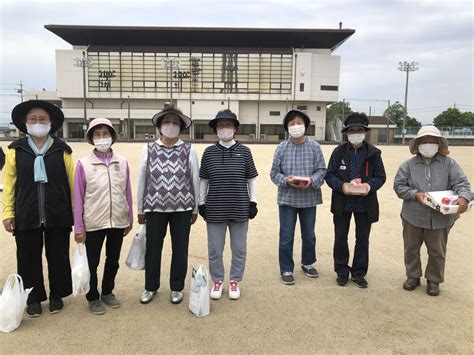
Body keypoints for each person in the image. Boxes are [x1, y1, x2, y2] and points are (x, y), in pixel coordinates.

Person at [2, 100, 75, 317]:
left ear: (51, 123)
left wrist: (76, 212)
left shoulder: (63, 150)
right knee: (27, 257)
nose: (38, 123)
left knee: (58, 256)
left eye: (43, 119)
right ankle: (33, 298)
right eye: (33, 119)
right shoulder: (15, 150)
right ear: (25, 122)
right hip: (26, 212)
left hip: (57, 213)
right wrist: (8, 212)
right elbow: (9, 186)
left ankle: (57, 295)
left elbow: (73, 184)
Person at [393, 125, 471, 296]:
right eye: (424, 141)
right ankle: (413, 276)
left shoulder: (449, 164)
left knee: (437, 250)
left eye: (432, 141)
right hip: (413, 215)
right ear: (418, 144)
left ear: (438, 144)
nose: (428, 145)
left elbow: (462, 184)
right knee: (411, 248)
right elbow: (399, 186)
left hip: (440, 216)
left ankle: (434, 280)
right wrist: (415, 194)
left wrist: (464, 198)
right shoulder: (408, 165)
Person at [136, 105, 199, 305]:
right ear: (160, 126)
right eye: (167, 122)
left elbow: (194, 179)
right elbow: (142, 179)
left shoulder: (189, 149)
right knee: (153, 248)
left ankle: (177, 287)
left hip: (182, 208)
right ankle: (150, 286)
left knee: (180, 249)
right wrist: (140, 208)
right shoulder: (148, 148)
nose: (170, 126)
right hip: (154, 208)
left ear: (180, 128)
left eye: (175, 123)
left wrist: (195, 208)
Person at [73, 118, 133, 315]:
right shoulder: (84, 164)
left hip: (117, 219)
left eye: (105, 134)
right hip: (94, 221)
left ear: (112, 137)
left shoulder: (122, 162)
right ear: (91, 138)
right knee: (93, 261)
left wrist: (129, 217)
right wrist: (79, 227)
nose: (101, 138)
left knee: (113, 259)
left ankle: (108, 291)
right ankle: (93, 296)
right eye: (97, 135)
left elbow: (127, 191)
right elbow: (78, 198)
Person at [198, 110, 258, 300]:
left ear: (235, 129)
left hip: (239, 206)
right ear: (216, 129)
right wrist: (201, 203)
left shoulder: (245, 151)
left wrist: (253, 201)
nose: (225, 129)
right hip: (215, 207)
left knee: (239, 247)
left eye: (228, 125)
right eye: (221, 125)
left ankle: (234, 280)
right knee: (215, 248)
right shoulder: (209, 152)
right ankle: (217, 280)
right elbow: (203, 180)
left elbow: (251, 179)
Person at [325, 113, 386, 288]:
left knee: (362, 238)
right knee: (340, 237)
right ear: (346, 133)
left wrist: (369, 186)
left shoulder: (373, 153)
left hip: (365, 204)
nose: (356, 133)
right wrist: (341, 186)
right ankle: (342, 270)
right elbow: (329, 175)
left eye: (359, 130)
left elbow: (381, 177)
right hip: (342, 202)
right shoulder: (339, 151)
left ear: (365, 132)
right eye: (352, 130)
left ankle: (359, 273)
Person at [270, 109, 326, 285]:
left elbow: (322, 170)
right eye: (292, 123)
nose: (296, 126)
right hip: (287, 198)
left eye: (299, 123)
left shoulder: (315, 147)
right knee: (286, 236)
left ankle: (308, 263)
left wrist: (312, 180)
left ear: (306, 126)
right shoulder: (281, 148)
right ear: (287, 128)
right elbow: (273, 173)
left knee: (309, 235)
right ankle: (286, 268)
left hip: (309, 198)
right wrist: (286, 180)